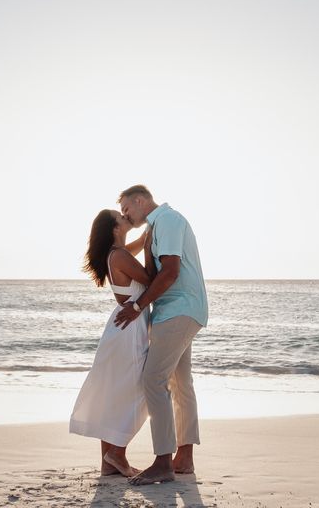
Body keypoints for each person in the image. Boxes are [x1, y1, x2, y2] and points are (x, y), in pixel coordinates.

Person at [114, 185, 208, 486]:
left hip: (178, 309)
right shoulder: (156, 225)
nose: (125, 213)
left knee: (153, 379)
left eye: (127, 208)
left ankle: (163, 462)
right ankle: (184, 459)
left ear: (140, 200)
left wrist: (139, 306)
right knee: (180, 383)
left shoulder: (166, 221)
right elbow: (124, 254)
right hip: (179, 309)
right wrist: (120, 234)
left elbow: (170, 271)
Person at [69, 208, 154, 477]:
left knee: (116, 394)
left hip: (124, 326)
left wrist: (152, 227)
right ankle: (117, 453)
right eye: (121, 216)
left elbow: (140, 244)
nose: (125, 216)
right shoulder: (119, 256)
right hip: (129, 327)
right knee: (139, 391)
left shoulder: (118, 252)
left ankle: (109, 464)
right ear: (114, 227)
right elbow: (153, 280)